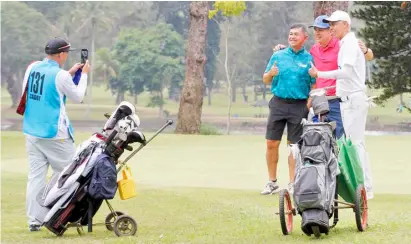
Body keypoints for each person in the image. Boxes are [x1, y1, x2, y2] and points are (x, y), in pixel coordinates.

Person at [19, 37, 90, 231]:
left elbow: (48, 84)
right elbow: (78, 96)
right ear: (61, 54)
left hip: (32, 132)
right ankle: (62, 216)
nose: (66, 56)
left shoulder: (32, 68)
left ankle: (34, 220)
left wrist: (69, 73)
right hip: (55, 134)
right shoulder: (61, 76)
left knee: (35, 177)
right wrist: (83, 75)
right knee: (72, 174)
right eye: (66, 53)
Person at [273, 15, 374, 139]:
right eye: (315, 30)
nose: (317, 33)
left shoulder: (342, 45)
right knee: (318, 141)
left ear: (330, 31)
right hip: (319, 101)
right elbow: (301, 60)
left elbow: (368, 56)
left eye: (320, 30)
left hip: (337, 100)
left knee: (339, 139)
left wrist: (366, 50)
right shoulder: (314, 49)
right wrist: (283, 50)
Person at [308, 10, 374, 199]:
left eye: (334, 24)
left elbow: (344, 73)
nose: (332, 27)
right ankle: (364, 187)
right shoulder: (348, 43)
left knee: (355, 145)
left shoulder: (350, 44)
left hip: (352, 100)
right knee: (356, 144)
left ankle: (363, 187)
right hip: (349, 100)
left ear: (345, 24)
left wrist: (319, 74)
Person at [261, 24, 316, 195]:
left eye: (296, 34)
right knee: (271, 143)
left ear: (305, 38)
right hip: (278, 103)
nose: (292, 37)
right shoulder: (278, 55)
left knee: (294, 147)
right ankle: (272, 182)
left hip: (299, 105)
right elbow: (265, 79)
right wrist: (271, 74)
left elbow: (314, 85)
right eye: (290, 34)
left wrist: (308, 105)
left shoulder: (308, 58)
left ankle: (293, 183)